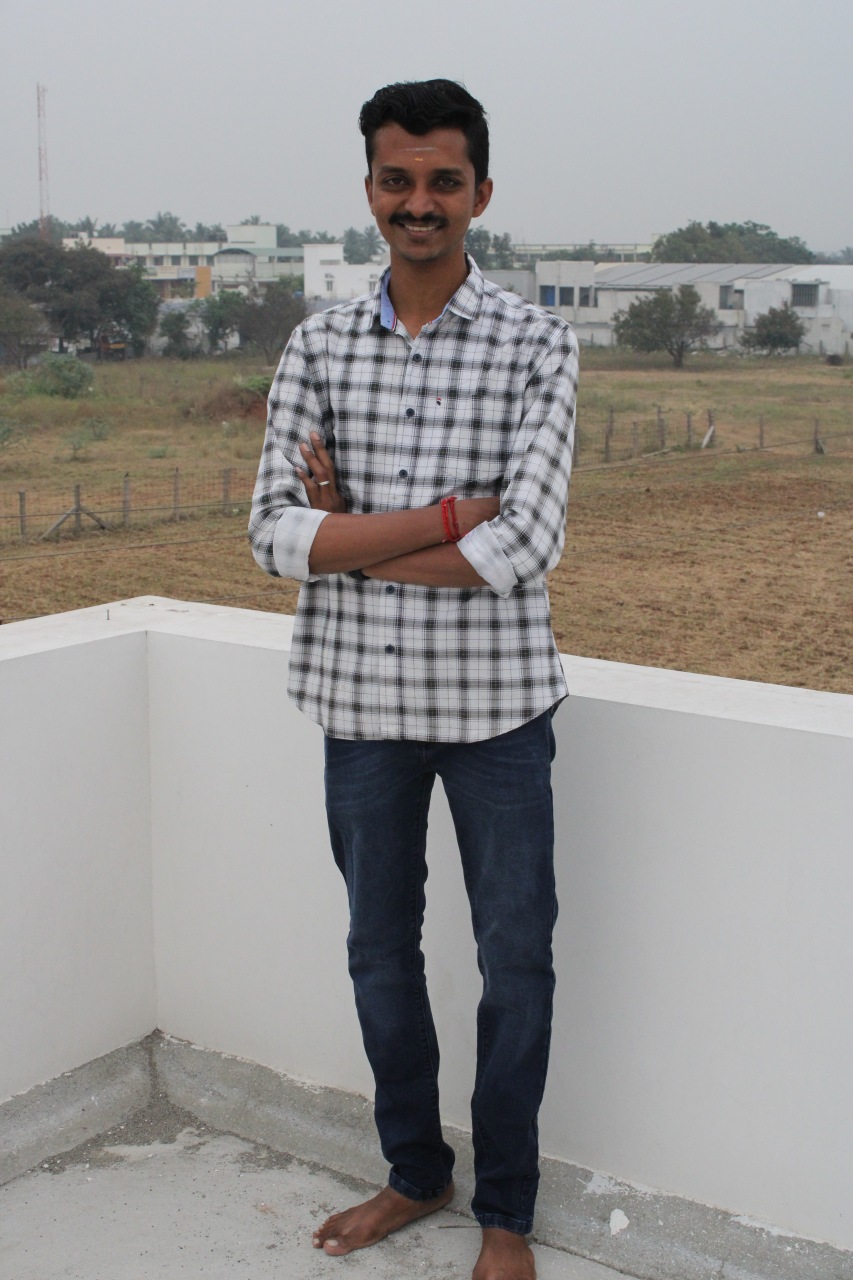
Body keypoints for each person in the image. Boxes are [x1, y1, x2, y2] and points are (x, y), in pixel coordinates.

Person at [249, 78, 578, 1280]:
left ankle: (505, 1208)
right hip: (361, 705)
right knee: (378, 950)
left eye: (444, 181)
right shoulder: (319, 343)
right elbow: (274, 532)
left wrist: (352, 533)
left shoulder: (536, 341)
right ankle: (413, 1169)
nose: (419, 202)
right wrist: (443, 517)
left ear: (480, 192)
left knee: (516, 960)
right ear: (370, 191)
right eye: (398, 180)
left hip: (498, 710)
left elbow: (523, 544)